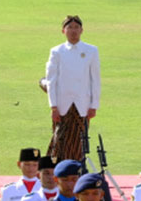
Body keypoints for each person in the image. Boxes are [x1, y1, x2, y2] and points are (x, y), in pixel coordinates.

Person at [43, 15, 100, 162]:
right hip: (62, 104)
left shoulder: (91, 50)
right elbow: (51, 80)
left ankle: (76, 171)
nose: (73, 31)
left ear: (82, 30)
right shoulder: (57, 51)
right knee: (60, 139)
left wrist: (94, 105)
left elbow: (95, 79)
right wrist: (53, 106)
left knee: (79, 142)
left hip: (82, 104)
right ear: (63, 31)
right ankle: (59, 169)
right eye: (70, 28)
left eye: (76, 28)